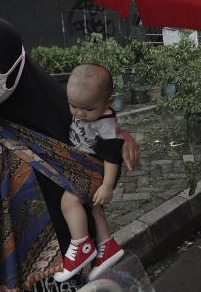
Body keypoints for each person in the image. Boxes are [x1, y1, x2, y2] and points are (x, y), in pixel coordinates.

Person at [0, 14, 140, 291]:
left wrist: (116, 135)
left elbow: (96, 178)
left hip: (82, 273)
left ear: (13, 62)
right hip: (11, 279)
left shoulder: (64, 109)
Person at [53, 64, 126, 282]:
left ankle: (81, 244)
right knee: (94, 208)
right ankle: (107, 246)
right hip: (86, 164)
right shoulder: (85, 109)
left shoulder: (105, 124)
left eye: (88, 109)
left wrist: (107, 185)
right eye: (73, 106)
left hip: (98, 169)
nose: (79, 113)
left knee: (69, 203)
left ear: (108, 102)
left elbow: (113, 157)